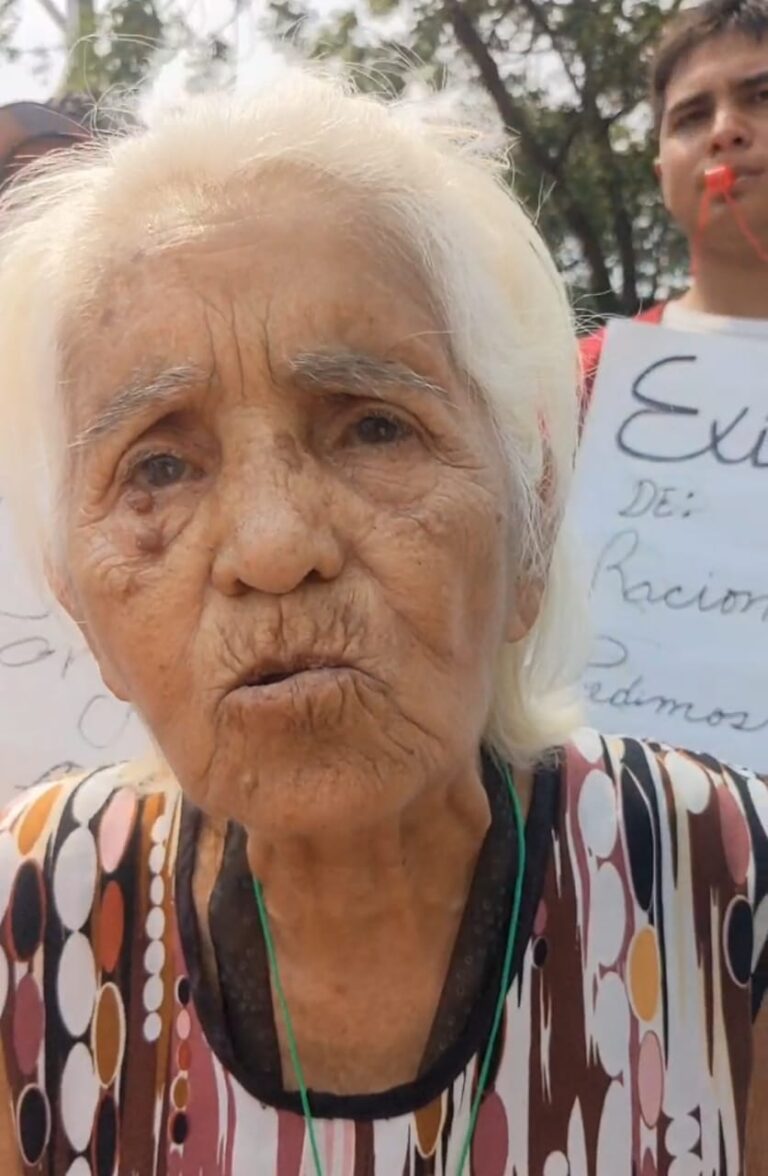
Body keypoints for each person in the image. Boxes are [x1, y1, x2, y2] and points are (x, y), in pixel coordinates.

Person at [0, 69, 765, 1176]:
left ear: (533, 520)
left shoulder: (723, 881)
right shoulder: (36, 914)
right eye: (159, 463)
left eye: (372, 427)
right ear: (75, 595)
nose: (271, 547)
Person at [581, 0, 768, 401]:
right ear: (662, 176)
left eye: (762, 96)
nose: (725, 130)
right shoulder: (588, 384)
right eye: (692, 117)